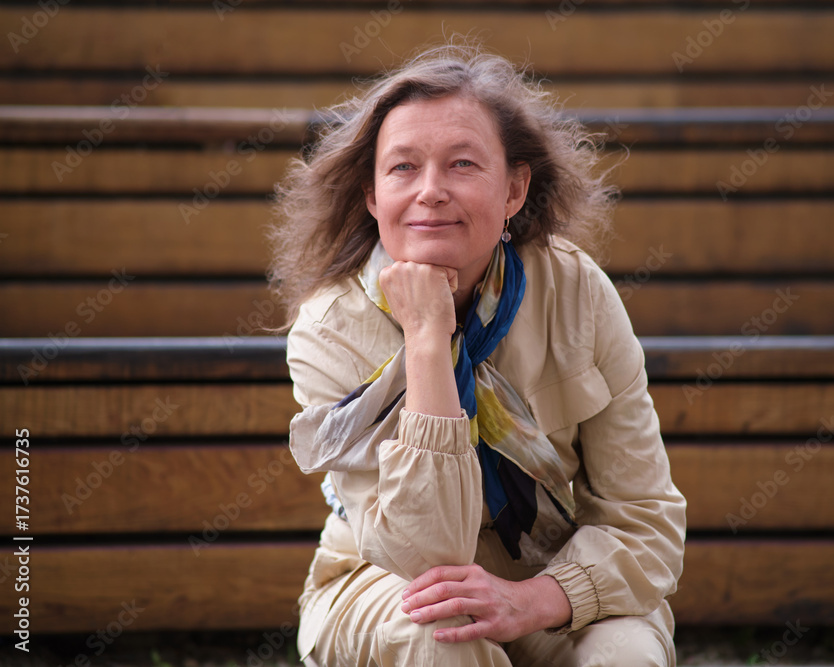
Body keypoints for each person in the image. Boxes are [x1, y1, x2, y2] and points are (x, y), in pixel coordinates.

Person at [269, 41, 686, 667]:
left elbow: (645, 519)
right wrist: (427, 340)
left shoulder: (577, 291)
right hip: (383, 587)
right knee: (440, 629)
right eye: (403, 167)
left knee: (625, 657)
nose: (431, 191)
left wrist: (535, 599)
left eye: (462, 164)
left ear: (515, 188)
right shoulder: (330, 329)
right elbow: (425, 557)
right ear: (372, 195)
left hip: (554, 579)